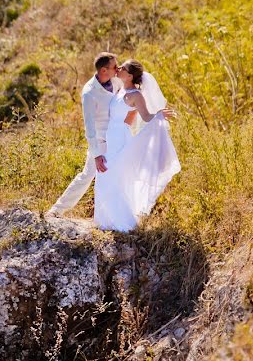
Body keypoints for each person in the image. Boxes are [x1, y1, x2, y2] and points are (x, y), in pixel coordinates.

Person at [93, 60, 180, 231]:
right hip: (111, 135)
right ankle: (106, 220)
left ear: (131, 76)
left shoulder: (136, 95)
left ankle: (125, 224)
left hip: (120, 138)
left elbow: (146, 117)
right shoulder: (119, 89)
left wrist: (159, 115)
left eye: (123, 68)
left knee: (111, 175)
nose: (119, 69)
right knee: (104, 176)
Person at [47, 52, 118, 217]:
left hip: (118, 137)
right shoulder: (89, 93)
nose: (118, 68)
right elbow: (89, 127)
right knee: (87, 175)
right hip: (101, 141)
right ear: (103, 70)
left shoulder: (116, 80)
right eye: (114, 66)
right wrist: (96, 154)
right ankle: (57, 210)